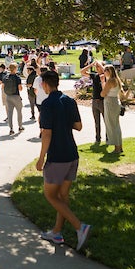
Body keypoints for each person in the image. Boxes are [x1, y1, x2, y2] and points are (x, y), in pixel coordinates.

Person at [36, 71, 91, 250]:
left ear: (45, 84)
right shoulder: (69, 101)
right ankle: (57, 232)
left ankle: (79, 226)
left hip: (57, 156)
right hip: (72, 154)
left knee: (50, 195)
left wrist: (41, 158)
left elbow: (46, 134)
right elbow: (78, 126)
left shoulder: (46, 105)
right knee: (62, 196)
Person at [101, 63, 124, 155]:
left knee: (111, 125)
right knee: (116, 125)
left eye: (105, 71)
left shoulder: (110, 81)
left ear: (109, 71)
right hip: (115, 101)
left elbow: (103, 93)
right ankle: (119, 146)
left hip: (110, 102)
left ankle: (117, 148)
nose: (104, 72)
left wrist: (103, 82)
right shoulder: (117, 80)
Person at [81, 62, 105, 146]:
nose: (97, 68)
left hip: (103, 101)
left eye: (99, 67)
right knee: (97, 122)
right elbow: (82, 72)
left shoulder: (105, 76)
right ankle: (98, 138)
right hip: (95, 101)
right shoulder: (94, 76)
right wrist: (91, 65)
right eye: (97, 67)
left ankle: (108, 137)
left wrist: (100, 65)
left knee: (106, 121)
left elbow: (105, 70)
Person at [0, 62, 25, 135]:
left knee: (10, 113)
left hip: (8, 96)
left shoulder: (5, 77)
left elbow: (2, 86)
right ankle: (20, 126)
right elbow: (20, 88)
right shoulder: (17, 77)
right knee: (19, 112)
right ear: (15, 69)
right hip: (16, 96)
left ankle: (11, 129)